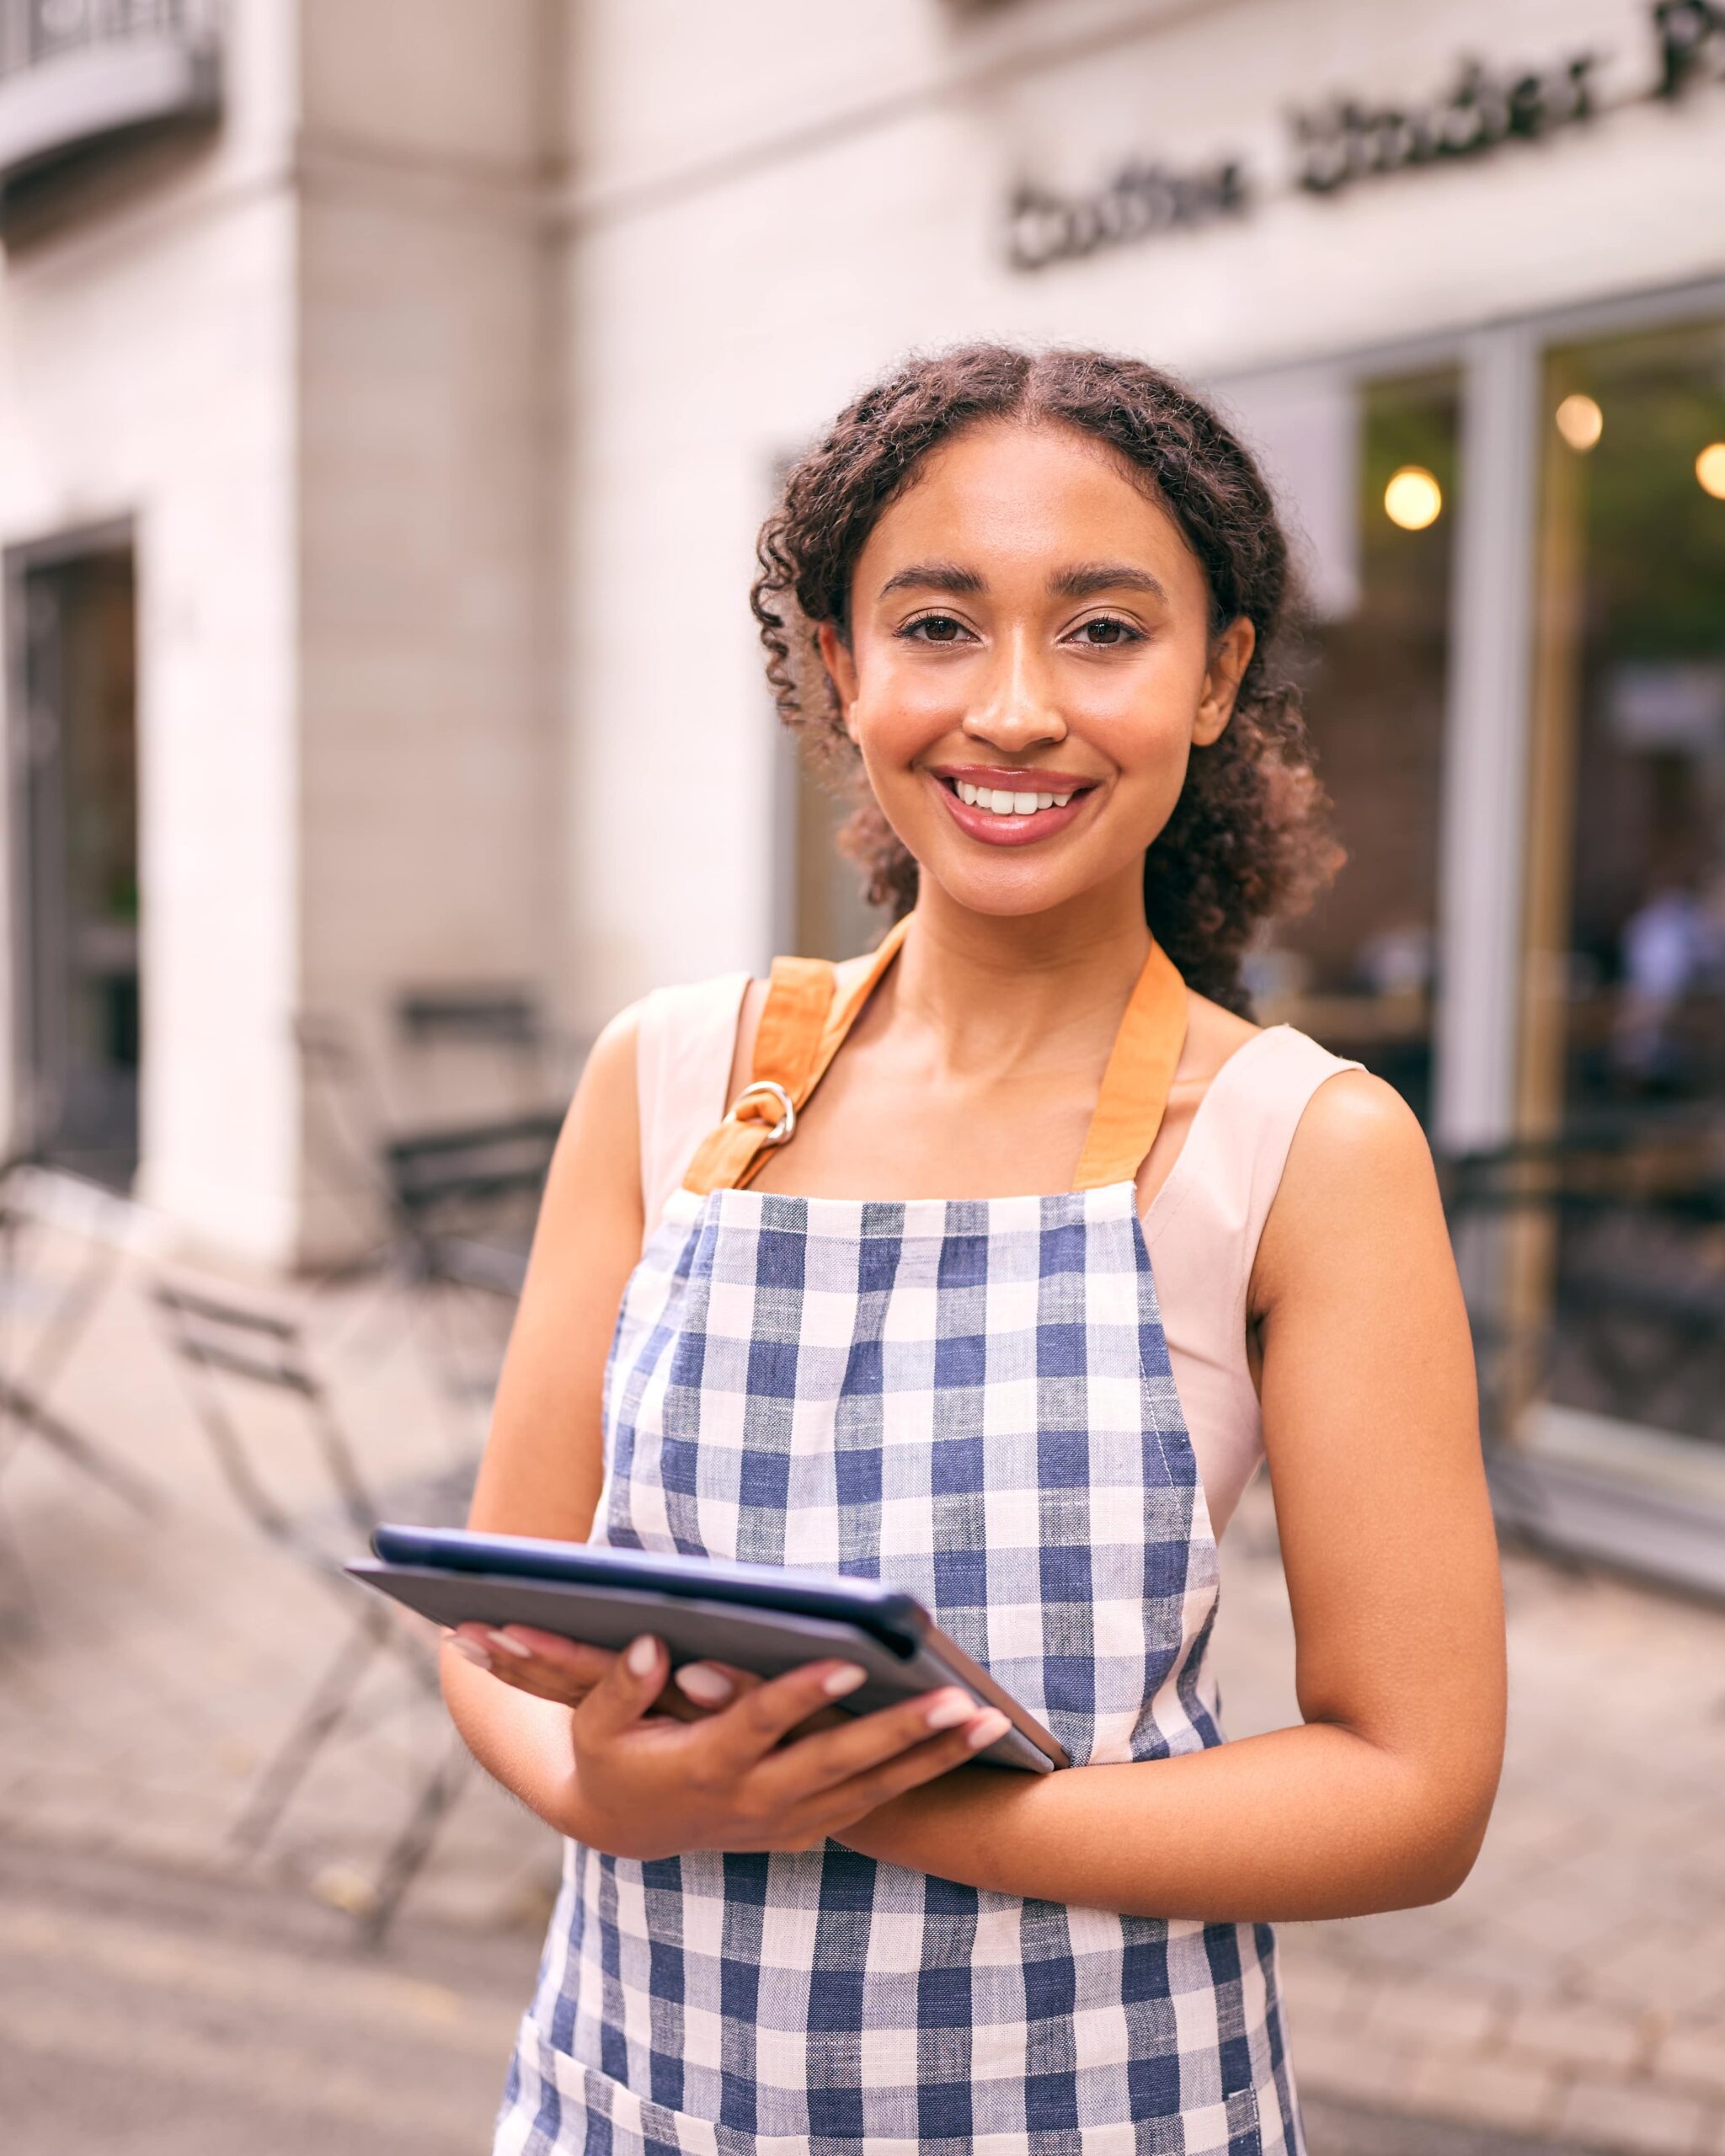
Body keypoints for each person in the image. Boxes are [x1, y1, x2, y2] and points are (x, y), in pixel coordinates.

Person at [441, 344, 1506, 2156]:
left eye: (1103, 629)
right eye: (938, 624)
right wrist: (608, 1787)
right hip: (634, 2091)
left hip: (1093, 2101)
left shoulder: (1300, 1148)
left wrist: (871, 1804)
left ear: (1217, 674)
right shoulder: (671, 1078)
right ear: (843, 667)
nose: (1013, 707)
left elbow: (1409, 1793)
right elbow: (497, 1625)